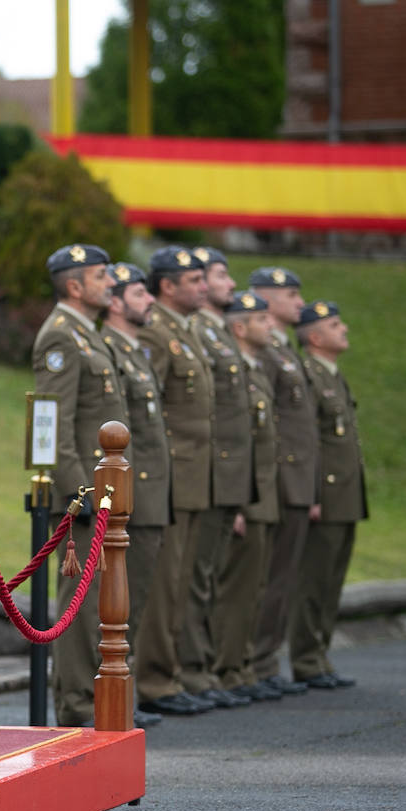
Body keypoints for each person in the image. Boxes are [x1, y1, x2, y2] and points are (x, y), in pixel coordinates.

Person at [32, 244, 135, 728]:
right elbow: (51, 425)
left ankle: (94, 701)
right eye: (100, 276)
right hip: (85, 500)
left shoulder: (87, 336)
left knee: (100, 604)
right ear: (75, 286)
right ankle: (75, 707)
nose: (110, 283)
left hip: (103, 496)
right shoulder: (62, 337)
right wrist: (81, 496)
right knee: (81, 606)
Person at [132, 246, 216, 717]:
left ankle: (172, 674)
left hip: (191, 475)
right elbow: (151, 412)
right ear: (168, 285)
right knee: (164, 584)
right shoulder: (158, 334)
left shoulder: (185, 331)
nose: (203, 287)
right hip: (170, 475)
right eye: (194, 280)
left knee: (183, 581)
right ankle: (155, 679)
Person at [181, 247, 251, 710]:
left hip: (219, 475)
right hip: (197, 474)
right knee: (190, 578)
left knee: (204, 576)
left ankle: (202, 667)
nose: (219, 284)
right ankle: (190, 670)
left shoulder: (215, 332)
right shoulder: (195, 331)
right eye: (214, 275)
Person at [289, 301, 364, 689]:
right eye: (336, 324)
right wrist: (314, 492)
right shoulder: (311, 375)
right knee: (314, 581)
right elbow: (309, 442)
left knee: (331, 581)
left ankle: (319, 654)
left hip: (346, 496)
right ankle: (305, 658)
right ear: (315, 337)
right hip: (327, 494)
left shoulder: (332, 375)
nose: (345, 328)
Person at [212, 291, 282, 701]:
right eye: (261, 319)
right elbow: (229, 441)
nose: (269, 324)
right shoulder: (235, 369)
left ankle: (238, 667)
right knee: (231, 588)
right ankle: (223, 668)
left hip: (258, 493)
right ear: (239, 327)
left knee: (251, 587)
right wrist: (235, 500)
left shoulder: (252, 369)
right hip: (241, 494)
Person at [246, 266, 313, 696]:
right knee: (262, 579)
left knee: (279, 578)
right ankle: (254, 663)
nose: (300, 303)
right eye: (291, 293)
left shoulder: (283, 349)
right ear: (267, 300)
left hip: (289, 479)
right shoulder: (266, 351)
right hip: (273, 480)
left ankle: (265, 662)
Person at [101, 263, 169, 673]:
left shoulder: (134, 350)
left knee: (139, 594)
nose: (150, 300)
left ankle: (127, 684)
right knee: (118, 597)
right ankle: (107, 688)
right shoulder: (109, 345)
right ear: (116, 301)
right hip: (126, 487)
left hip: (145, 486)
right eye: (140, 293)